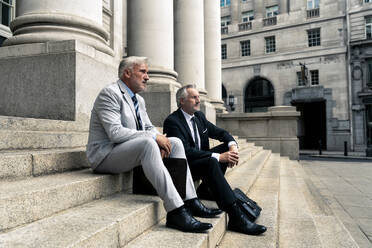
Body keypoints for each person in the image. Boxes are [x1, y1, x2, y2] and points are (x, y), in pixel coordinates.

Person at [86, 57, 222, 233]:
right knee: (148, 144)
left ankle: (190, 200)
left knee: (175, 142)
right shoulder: (110, 93)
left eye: (147, 72)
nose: (147, 77)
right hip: (104, 156)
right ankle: (176, 211)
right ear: (127, 73)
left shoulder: (139, 100)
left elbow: (149, 127)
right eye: (143, 71)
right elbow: (115, 133)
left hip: (126, 151)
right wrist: (154, 138)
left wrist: (160, 138)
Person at [163, 84, 267, 235]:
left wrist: (232, 147)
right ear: (182, 101)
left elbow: (221, 132)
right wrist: (219, 157)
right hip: (185, 169)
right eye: (194, 97)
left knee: (223, 150)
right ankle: (236, 216)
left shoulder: (199, 117)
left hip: (201, 163)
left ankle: (206, 190)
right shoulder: (172, 121)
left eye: (198, 97)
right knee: (213, 159)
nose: (198, 100)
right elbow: (186, 152)